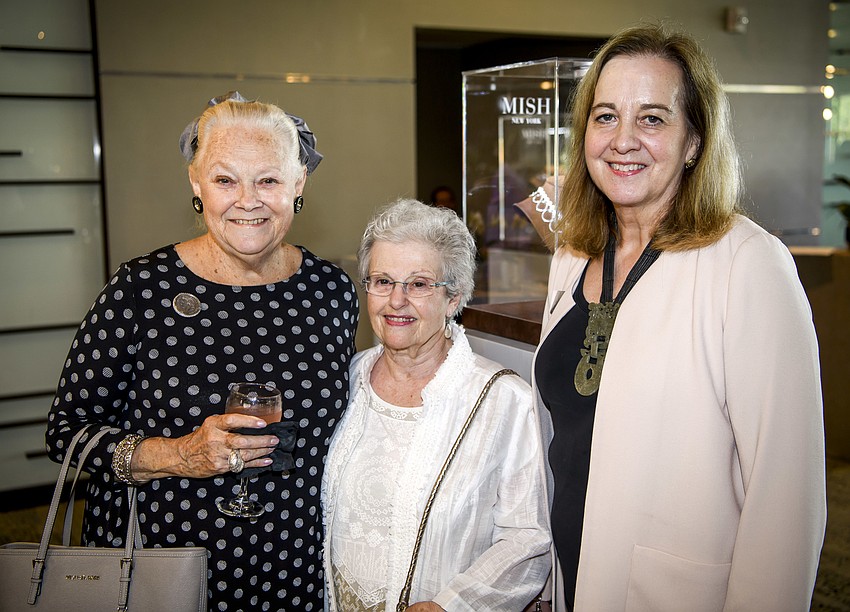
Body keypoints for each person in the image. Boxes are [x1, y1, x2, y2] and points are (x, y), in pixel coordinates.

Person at [533, 24, 826, 611]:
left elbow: (786, 496)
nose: (623, 140)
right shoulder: (573, 254)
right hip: (569, 575)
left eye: (652, 119)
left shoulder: (747, 264)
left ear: (694, 140)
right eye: (606, 116)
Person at [45, 91, 358, 612]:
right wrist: (180, 455)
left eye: (268, 179)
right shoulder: (142, 288)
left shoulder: (330, 290)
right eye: (225, 179)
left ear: (298, 183)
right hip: (162, 564)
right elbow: (68, 435)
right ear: (197, 184)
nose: (248, 199)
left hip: (292, 561)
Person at [321, 199, 551, 611]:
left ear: (453, 298)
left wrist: (452, 605)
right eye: (383, 281)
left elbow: (526, 537)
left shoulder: (503, 401)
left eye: (419, 284)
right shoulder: (348, 378)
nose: (396, 300)